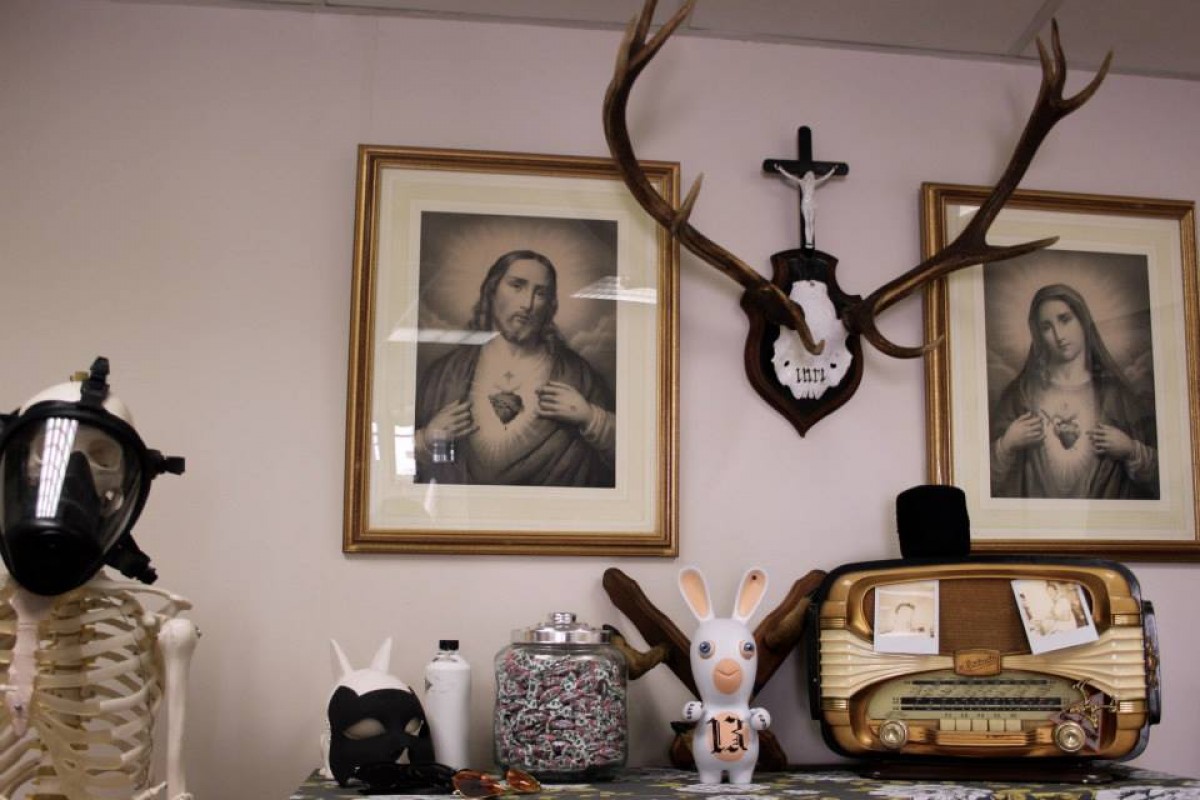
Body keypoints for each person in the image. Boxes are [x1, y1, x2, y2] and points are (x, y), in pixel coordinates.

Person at [413, 250, 615, 487]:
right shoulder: (444, 375)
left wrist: (592, 418)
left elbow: (631, 466)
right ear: (491, 291)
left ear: (550, 305)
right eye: (517, 286)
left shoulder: (580, 377)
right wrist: (427, 440)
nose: (527, 304)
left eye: (540, 293)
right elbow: (390, 468)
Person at [989, 283, 1158, 499]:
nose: (1058, 335)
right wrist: (1006, 445)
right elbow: (982, 479)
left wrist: (1131, 449)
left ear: (1083, 321)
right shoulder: (1021, 394)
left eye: (1065, 319)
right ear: (1038, 334)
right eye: (1046, 327)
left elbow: (1164, 478)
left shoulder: (1116, 394)